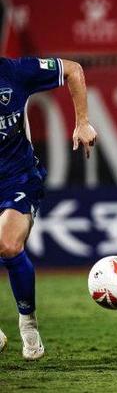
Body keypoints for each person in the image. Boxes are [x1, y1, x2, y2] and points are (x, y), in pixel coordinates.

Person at [0, 56, 97, 360]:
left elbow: (73, 70)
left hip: (18, 178)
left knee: (8, 244)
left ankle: (27, 322)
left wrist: (82, 122)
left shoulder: (15, 72)